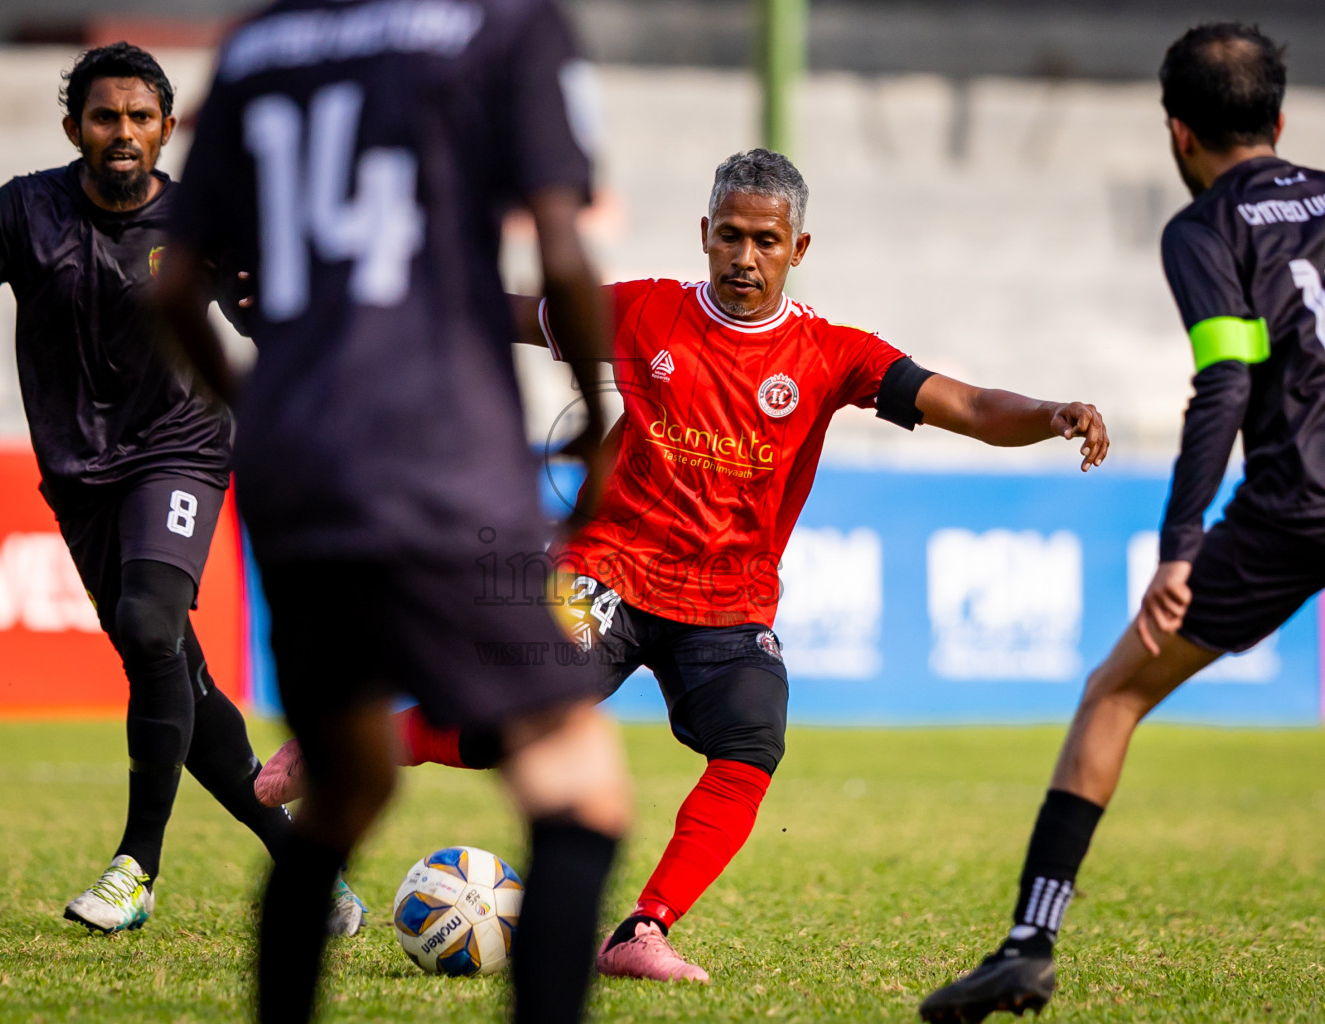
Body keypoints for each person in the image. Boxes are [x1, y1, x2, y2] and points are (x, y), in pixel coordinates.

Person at [260, 147, 1111, 982]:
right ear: (705, 233)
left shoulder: (831, 353)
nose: (747, 256)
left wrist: (1051, 413)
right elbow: (510, 312)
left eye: (767, 241)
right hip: (610, 573)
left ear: (798, 249)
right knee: (503, 726)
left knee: (752, 739)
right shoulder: (646, 314)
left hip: (729, 601)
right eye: (731, 236)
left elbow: (962, 403)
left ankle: (641, 930)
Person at [153, 1, 633, 1022]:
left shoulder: (256, 43)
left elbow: (173, 287)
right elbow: (561, 235)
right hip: (444, 454)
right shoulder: (507, 27)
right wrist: (594, 410)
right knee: (576, 773)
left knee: (346, 787)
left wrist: (266, 418)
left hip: (294, 467)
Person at [919, 23, 1325, 1023]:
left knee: (1113, 694)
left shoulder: (1207, 228)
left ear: (1178, 132)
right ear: (1281, 116)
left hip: (1299, 498)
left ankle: (1027, 944)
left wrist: (1178, 548)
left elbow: (1224, 382)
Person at [0, 42, 364, 937]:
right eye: (105, 116)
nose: (123, 132)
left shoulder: (204, 222)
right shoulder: (24, 209)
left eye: (141, 117)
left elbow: (280, 323)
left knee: (150, 626)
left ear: (167, 129)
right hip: (77, 476)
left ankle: (135, 868)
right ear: (74, 127)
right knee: (174, 666)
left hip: (179, 450)